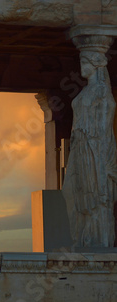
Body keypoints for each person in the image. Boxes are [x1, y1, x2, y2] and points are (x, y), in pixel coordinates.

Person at [62, 50, 117, 248]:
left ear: (95, 65)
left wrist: (95, 143)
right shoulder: (86, 92)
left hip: (95, 148)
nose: (82, 66)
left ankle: (97, 240)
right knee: (74, 191)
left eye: (85, 62)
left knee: (95, 192)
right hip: (81, 146)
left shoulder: (102, 91)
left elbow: (106, 115)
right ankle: (84, 239)